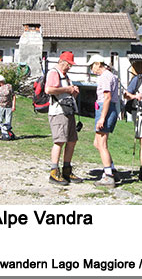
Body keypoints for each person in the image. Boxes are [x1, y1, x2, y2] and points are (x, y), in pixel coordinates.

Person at [44, 51, 83, 186]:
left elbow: (66, 93)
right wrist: (67, 89)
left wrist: (74, 93)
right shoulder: (53, 73)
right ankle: (54, 172)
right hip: (58, 112)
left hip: (68, 111)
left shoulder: (66, 76)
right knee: (59, 141)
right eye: (68, 64)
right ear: (62, 62)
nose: (70, 67)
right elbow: (48, 90)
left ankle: (67, 170)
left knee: (71, 141)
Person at [87, 54, 120, 188]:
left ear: (97, 64)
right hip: (105, 108)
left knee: (102, 143)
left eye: (92, 66)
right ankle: (112, 170)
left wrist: (102, 117)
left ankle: (108, 176)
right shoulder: (109, 75)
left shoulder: (105, 76)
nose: (91, 69)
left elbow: (107, 97)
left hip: (105, 109)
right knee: (97, 143)